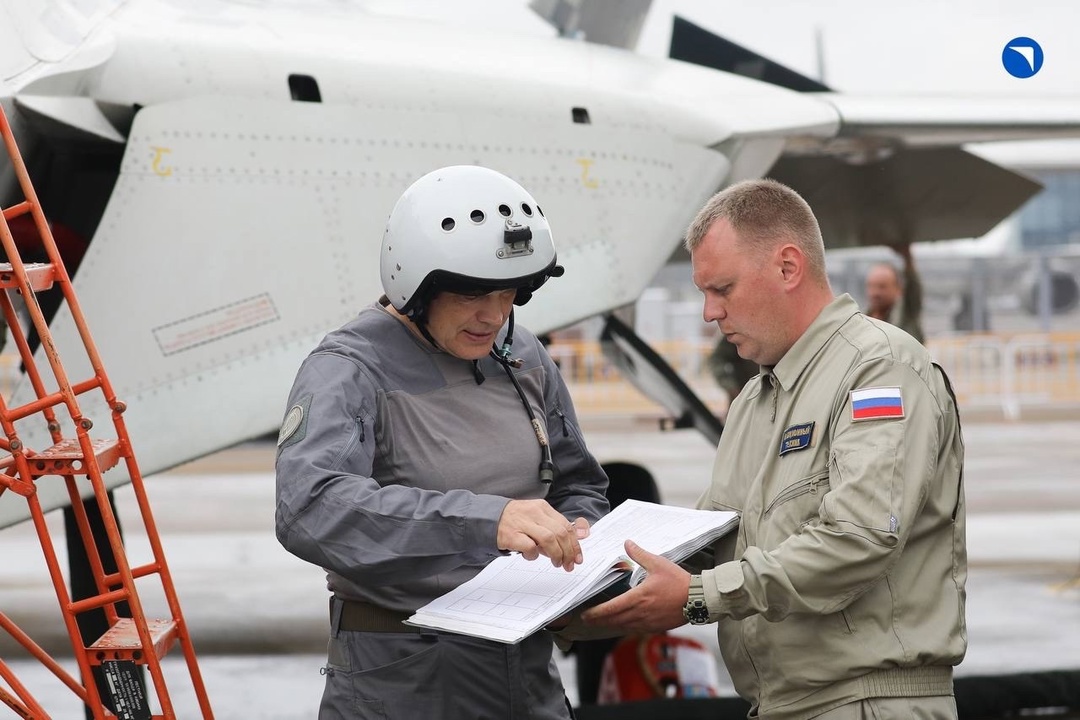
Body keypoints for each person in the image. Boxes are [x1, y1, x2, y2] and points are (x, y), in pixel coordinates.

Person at [582, 178, 967, 719]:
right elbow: (711, 538)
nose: (709, 313)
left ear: (789, 267)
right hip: (783, 704)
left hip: (866, 702)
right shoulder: (754, 399)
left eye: (723, 289)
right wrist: (593, 572)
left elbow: (857, 537)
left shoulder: (880, 370)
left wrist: (699, 595)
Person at [275, 165, 610, 720]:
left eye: (507, 293)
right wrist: (485, 520)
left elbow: (579, 482)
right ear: (417, 286)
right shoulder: (348, 369)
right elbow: (307, 508)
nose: (494, 315)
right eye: (472, 294)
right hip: (404, 676)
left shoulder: (520, 353)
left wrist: (576, 530)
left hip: (524, 668)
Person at [864, 243, 925, 344]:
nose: (875, 292)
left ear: (898, 289)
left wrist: (907, 258)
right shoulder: (863, 319)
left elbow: (913, 291)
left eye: (882, 287)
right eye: (871, 286)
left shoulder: (906, 314)